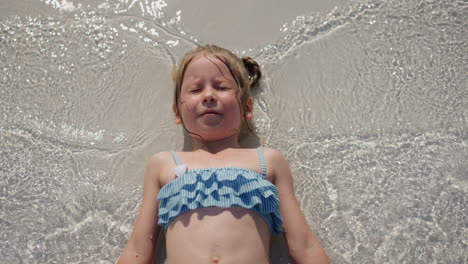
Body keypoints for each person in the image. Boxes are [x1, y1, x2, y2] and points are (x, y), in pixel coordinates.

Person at [118, 44, 329, 264]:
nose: (208, 95)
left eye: (221, 87)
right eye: (196, 89)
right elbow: (138, 250)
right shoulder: (163, 164)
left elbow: (303, 245)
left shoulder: (267, 161)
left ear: (247, 108)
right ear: (177, 112)